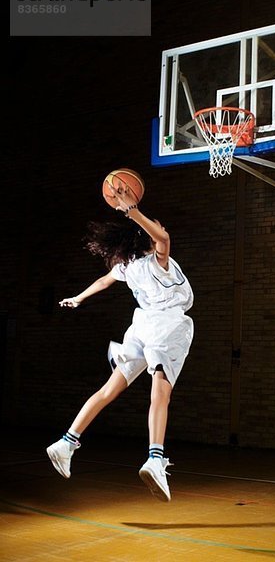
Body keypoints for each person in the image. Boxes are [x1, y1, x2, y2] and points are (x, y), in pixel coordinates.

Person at [46, 183, 194, 502]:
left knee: (108, 390)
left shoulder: (126, 266)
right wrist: (132, 211)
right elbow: (163, 238)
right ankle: (155, 459)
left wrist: (79, 297)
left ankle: (66, 442)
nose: (161, 228)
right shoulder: (159, 260)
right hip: (167, 325)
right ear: (147, 237)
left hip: (139, 327)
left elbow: (104, 280)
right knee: (160, 392)